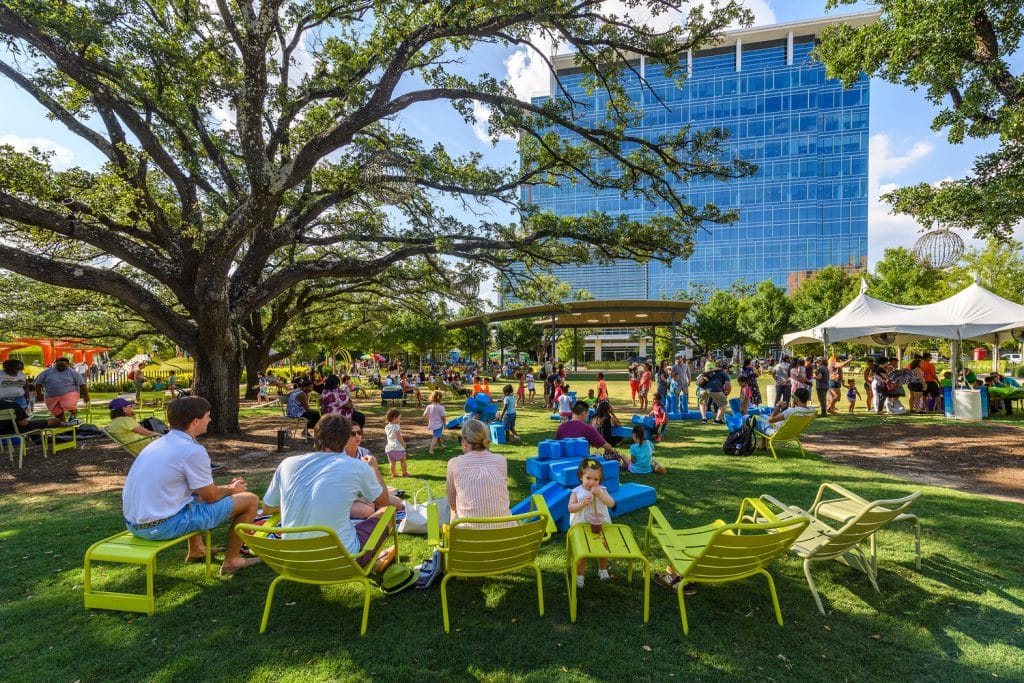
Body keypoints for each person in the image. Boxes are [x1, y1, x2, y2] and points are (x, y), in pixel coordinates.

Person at [122, 396, 260, 575]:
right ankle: (232, 561)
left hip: (135, 524)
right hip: (161, 526)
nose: (210, 420)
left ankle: (197, 550)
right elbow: (211, 497)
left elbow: (201, 490)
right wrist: (232, 490)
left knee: (196, 496)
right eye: (208, 416)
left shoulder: (158, 444)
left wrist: (226, 489)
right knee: (250, 500)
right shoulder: (192, 450)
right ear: (196, 421)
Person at [262, 414, 394, 569]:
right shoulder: (357, 467)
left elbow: (267, 508)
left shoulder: (287, 464)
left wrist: (298, 504)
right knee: (387, 513)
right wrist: (375, 468)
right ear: (345, 440)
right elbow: (384, 502)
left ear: (316, 435)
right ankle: (374, 559)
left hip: (294, 562)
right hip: (342, 562)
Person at [446, 419, 513, 529]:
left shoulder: (454, 464)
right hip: (506, 537)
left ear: (465, 442)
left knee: (453, 512)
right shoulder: (501, 460)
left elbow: (452, 503)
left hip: (469, 540)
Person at [568, 458, 615, 589]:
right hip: (581, 526)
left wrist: (600, 494)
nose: (592, 482)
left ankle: (602, 569)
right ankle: (580, 576)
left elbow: (611, 503)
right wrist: (582, 503)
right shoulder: (576, 492)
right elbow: (571, 508)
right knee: (583, 553)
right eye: (588, 478)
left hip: (600, 526)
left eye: (596, 480)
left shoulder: (602, 490)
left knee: (603, 549)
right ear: (580, 477)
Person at [556, 401, 622, 459]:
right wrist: (614, 452)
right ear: (583, 413)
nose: (587, 415)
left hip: (563, 462)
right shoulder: (587, 428)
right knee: (598, 454)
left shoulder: (561, 427)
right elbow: (607, 446)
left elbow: (556, 446)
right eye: (587, 413)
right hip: (582, 464)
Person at [34, 357, 90, 423]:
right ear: (55, 364)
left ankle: (73, 413)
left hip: (69, 393)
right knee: (57, 413)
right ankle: (62, 424)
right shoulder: (47, 372)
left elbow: (82, 384)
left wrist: (86, 395)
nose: (61, 367)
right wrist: (39, 395)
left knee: (68, 405)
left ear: (68, 365)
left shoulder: (73, 372)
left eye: (63, 366)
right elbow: (38, 383)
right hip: (51, 396)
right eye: (59, 365)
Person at [0, 397, 67, 437]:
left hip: (2, 432)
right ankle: (64, 425)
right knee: (53, 421)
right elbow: (23, 423)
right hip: (15, 430)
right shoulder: (11, 404)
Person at [698, 361, 732, 425]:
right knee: (723, 404)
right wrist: (727, 393)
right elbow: (728, 385)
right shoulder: (723, 373)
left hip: (703, 390)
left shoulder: (706, 373)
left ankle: (704, 418)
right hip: (715, 389)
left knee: (702, 403)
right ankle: (717, 420)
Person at [423, 390, 447, 454]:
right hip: (439, 424)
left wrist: (429, 416)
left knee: (438, 435)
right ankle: (431, 450)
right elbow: (443, 418)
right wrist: (445, 425)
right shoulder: (441, 407)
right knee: (436, 437)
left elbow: (424, 415)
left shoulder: (429, 406)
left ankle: (442, 445)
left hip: (432, 424)